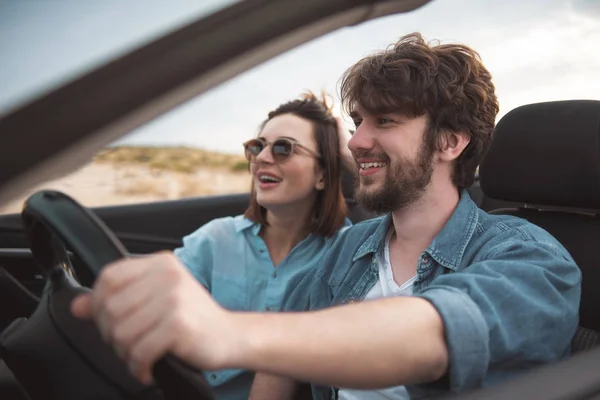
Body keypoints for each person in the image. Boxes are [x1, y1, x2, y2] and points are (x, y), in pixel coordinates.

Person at [70, 33, 581, 400]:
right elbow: (282, 353)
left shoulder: (530, 256)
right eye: (358, 122)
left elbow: (440, 333)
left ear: (450, 141)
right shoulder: (344, 249)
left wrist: (228, 334)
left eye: (385, 121)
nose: (356, 141)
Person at [156, 92, 353, 399]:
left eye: (283, 148)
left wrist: (348, 155)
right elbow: (160, 315)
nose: (262, 157)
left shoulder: (347, 252)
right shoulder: (215, 240)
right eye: (257, 146)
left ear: (323, 175)